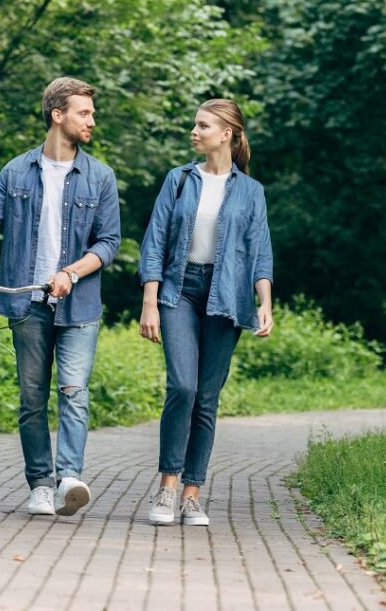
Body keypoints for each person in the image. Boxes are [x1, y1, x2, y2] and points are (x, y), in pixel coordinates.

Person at [0, 77, 121, 517]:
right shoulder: (16, 172)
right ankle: (40, 484)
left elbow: (107, 243)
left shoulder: (100, 177)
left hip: (79, 304)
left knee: (73, 390)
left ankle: (69, 477)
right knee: (32, 397)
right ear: (58, 115)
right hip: (27, 302)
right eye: (83, 113)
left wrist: (70, 272)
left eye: (91, 112)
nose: (91, 120)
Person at [138, 98, 274, 526]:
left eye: (203, 125)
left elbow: (260, 251)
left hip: (227, 294)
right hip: (180, 291)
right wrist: (150, 303)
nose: (194, 132)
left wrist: (265, 301)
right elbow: (155, 241)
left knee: (207, 399)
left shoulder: (251, 191)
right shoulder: (178, 180)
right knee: (182, 387)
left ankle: (192, 494)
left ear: (227, 133)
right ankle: (166, 487)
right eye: (195, 125)